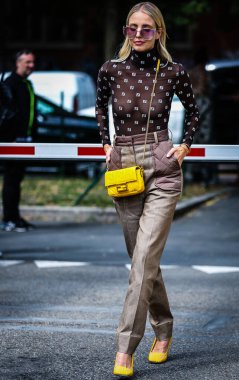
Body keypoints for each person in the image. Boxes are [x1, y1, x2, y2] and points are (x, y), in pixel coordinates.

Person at [96, 2, 199, 377]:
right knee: (141, 259)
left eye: (147, 29)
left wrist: (184, 146)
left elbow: (194, 110)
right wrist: (106, 144)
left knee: (142, 261)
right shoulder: (111, 69)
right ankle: (165, 329)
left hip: (162, 167)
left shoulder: (173, 71)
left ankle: (125, 348)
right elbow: (100, 108)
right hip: (123, 164)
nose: (138, 35)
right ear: (125, 30)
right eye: (132, 28)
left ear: (159, 32)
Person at [1, 49, 37, 232]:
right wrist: (11, 137)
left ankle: (14, 217)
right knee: (11, 180)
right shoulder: (10, 84)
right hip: (13, 141)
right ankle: (9, 219)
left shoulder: (26, 84)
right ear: (18, 63)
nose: (31, 66)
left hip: (25, 140)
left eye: (32, 62)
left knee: (16, 179)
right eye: (27, 62)